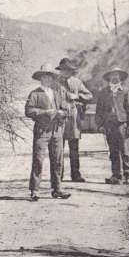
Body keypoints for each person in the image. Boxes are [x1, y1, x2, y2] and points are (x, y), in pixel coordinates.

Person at [24, 64, 72, 201]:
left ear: (52, 78)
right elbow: (29, 111)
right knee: (38, 159)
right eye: (45, 76)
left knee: (57, 160)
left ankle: (57, 189)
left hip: (57, 130)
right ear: (40, 78)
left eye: (50, 76)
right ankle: (34, 190)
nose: (47, 79)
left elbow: (66, 108)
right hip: (42, 131)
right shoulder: (35, 93)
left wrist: (62, 112)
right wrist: (46, 112)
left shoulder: (57, 92)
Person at [95, 67, 129, 187]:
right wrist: (100, 125)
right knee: (113, 151)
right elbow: (99, 110)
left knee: (125, 150)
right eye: (112, 75)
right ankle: (116, 175)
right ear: (109, 77)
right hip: (109, 126)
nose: (115, 77)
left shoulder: (126, 91)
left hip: (122, 125)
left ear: (120, 78)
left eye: (117, 75)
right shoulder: (104, 92)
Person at [55, 58, 93, 182]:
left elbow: (89, 95)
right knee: (58, 148)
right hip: (59, 118)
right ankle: (58, 175)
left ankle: (75, 174)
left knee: (74, 148)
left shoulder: (77, 82)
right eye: (63, 70)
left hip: (73, 119)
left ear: (71, 71)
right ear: (60, 70)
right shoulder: (55, 83)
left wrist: (77, 96)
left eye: (68, 70)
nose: (65, 72)